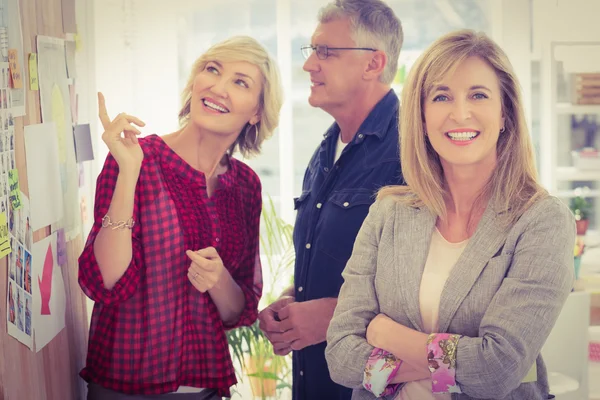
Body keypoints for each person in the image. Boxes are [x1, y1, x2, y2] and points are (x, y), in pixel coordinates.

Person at [325, 29, 576, 400]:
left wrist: (388, 337)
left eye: (478, 95)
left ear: (505, 112)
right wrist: (453, 367)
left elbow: (496, 370)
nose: (460, 113)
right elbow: (341, 357)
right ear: (422, 118)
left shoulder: (542, 221)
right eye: (442, 96)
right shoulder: (388, 212)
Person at [78, 36, 283, 400]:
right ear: (194, 83)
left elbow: (237, 311)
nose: (218, 87)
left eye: (240, 81)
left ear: (256, 111)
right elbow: (105, 281)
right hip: (123, 386)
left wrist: (218, 280)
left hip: (204, 390)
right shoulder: (135, 158)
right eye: (212, 70)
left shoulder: (246, 186)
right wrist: (129, 172)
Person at [258, 1, 403, 399]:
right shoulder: (324, 151)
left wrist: (334, 316)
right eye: (312, 51)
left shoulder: (413, 152)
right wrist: (292, 300)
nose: (309, 65)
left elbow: (433, 292)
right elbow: (336, 262)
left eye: (326, 52)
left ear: (373, 64)